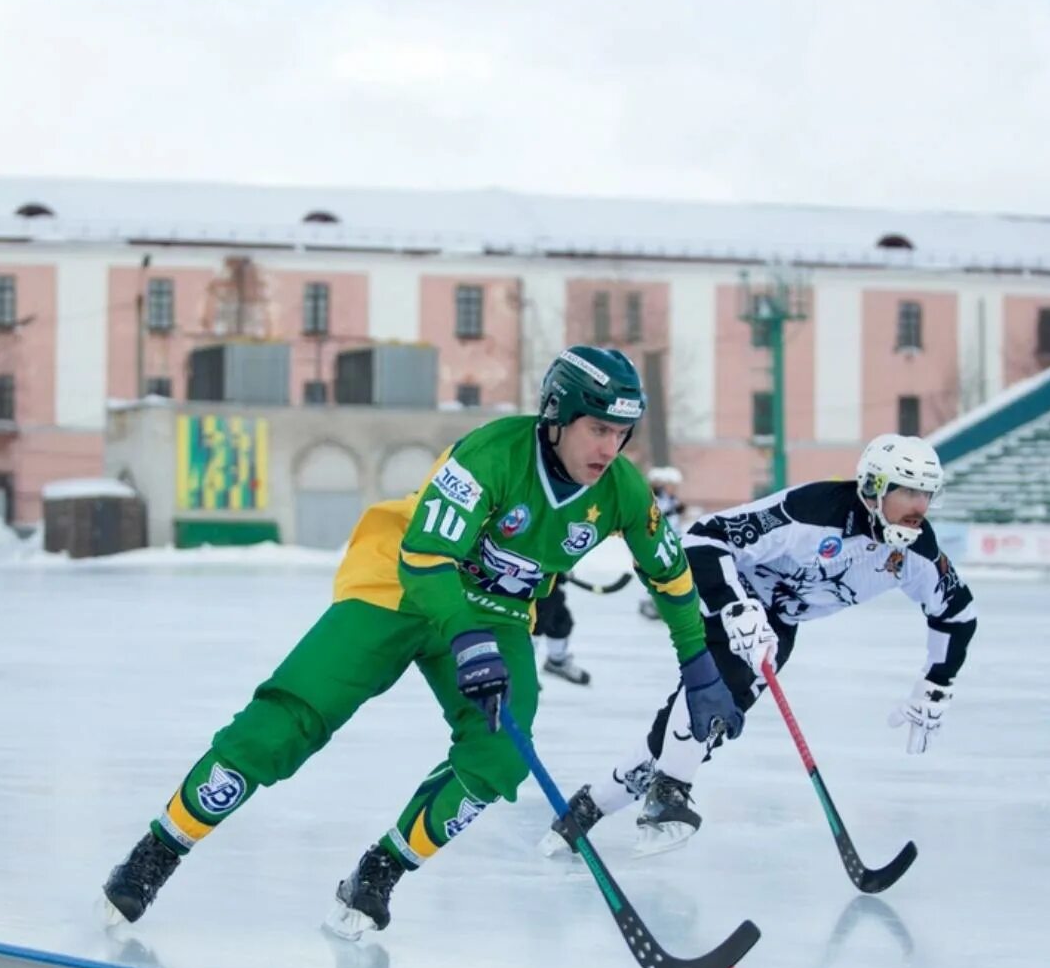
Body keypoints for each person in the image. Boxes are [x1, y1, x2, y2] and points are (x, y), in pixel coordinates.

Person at [101, 347, 745, 937]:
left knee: (499, 759)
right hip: (402, 582)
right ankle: (160, 848)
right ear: (557, 415)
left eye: (621, 432)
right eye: (598, 428)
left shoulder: (622, 489)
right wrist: (464, 638)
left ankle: (379, 871)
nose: (611, 447)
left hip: (494, 611)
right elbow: (427, 554)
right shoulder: (490, 455)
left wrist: (697, 660)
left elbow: (668, 571)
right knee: (292, 718)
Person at [541, 433, 975, 859]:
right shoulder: (812, 512)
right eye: (909, 492)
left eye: (927, 494)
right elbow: (702, 539)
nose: (920, 507)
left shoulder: (919, 551)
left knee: (704, 730)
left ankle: (586, 810)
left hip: (778, 625)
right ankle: (669, 795)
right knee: (713, 697)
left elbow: (956, 613)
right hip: (721, 592)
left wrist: (937, 681)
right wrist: (735, 606)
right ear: (873, 488)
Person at [638, 466, 687, 621]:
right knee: (659, 571)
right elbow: (656, 515)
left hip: (674, 538)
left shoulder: (670, 498)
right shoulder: (656, 497)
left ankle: (665, 602)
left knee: (672, 573)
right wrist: (673, 511)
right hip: (659, 540)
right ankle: (653, 601)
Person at [533, 578, 589, 685]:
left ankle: (557, 661)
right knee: (534, 623)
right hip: (531, 580)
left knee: (560, 619)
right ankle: (518, 671)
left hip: (549, 580)